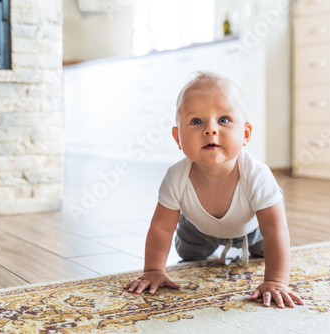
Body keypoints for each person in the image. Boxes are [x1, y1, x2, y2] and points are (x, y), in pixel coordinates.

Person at [124, 72, 304, 309]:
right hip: (196, 230)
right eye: (196, 121)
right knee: (189, 256)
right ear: (178, 137)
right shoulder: (176, 176)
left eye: (224, 119)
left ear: (246, 134)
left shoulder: (257, 174)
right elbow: (162, 227)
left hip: (255, 230)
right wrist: (153, 270)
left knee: (269, 251)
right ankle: (195, 252)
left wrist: (275, 281)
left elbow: (275, 230)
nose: (210, 129)